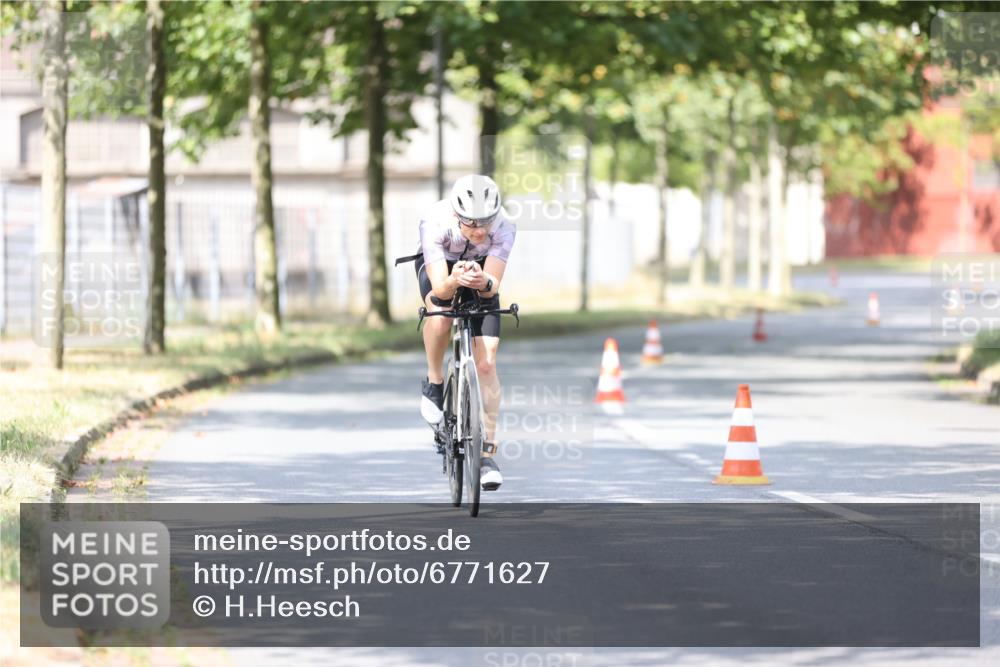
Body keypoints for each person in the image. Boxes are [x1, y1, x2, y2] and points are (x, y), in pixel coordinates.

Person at [404, 174, 515, 491]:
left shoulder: (505, 227)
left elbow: (493, 284)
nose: (480, 230)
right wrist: (454, 281)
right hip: (440, 267)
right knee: (439, 314)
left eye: (486, 222)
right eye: (471, 223)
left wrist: (482, 283)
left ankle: (488, 453)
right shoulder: (435, 221)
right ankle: (435, 382)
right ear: (456, 215)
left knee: (487, 363)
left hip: (480, 268)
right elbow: (440, 288)